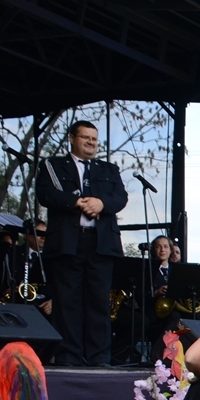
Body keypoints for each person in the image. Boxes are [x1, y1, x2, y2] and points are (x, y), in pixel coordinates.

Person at [36, 120, 128, 367]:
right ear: (72, 138)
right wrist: (74, 202)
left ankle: (99, 358)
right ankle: (69, 357)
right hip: (68, 242)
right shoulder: (53, 166)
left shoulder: (109, 169)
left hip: (100, 243)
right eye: (85, 137)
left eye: (94, 139)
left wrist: (101, 204)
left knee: (99, 301)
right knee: (67, 302)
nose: (91, 142)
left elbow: (120, 197)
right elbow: (45, 194)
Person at [16, 220, 52, 317]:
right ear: (26, 235)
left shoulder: (52, 258)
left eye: (45, 234)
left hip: (45, 308)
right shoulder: (13, 254)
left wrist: (53, 301)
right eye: (39, 233)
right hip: (18, 307)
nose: (43, 237)